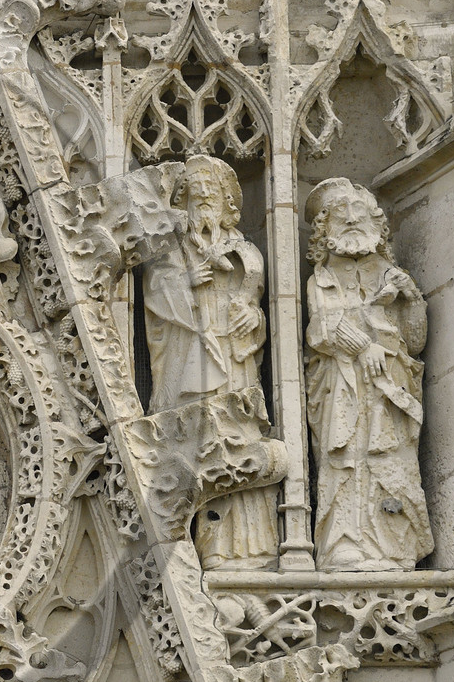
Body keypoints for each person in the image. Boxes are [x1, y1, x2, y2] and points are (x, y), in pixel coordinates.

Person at [141, 156, 278, 569]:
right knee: (193, 440)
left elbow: (253, 304)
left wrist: (253, 319)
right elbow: (154, 295)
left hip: (234, 366)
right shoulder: (171, 250)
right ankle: (183, 543)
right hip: (188, 361)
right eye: (195, 190)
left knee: (236, 438)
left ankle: (241, 548)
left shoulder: (246, 253)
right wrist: (185, 282)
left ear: (226, 203)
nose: (203, 196)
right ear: (182, 201)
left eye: (211, 191)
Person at [304, 178, 431, 570]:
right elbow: (322, 327)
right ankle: (343, 543)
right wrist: (363, 345)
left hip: (390, 387)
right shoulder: (322, 279)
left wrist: (412, 299)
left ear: (377, 226)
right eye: (342, 217)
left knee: (391, 460)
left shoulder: (393, 276)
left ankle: (393, 544)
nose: (352, 222)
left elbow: (415, 342)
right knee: (345, 458)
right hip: (342, 384)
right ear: (325, 232)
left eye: (360, 215)